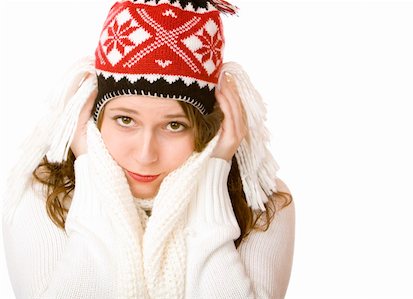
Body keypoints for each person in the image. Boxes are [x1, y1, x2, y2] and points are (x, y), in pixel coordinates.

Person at [2, 0, 295, 298]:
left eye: (174, 125)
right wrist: (92, 173)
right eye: (125, 120)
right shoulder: (40, 195)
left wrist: (212, 179)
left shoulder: (263, 205)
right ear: (91, 114)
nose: (145, 154)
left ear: (210, 127)